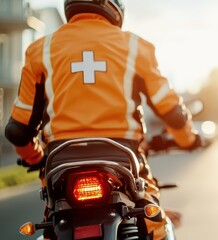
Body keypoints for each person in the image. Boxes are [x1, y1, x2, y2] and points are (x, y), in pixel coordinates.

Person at [4, 0, 201, 239]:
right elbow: (173, 113)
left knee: (53, 223)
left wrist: (35, 157)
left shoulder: (40, 49)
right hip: (124, 162)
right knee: (154, 221)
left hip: (60, 165)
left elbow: (19, 130)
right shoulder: (135, 47)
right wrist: (188, 139)